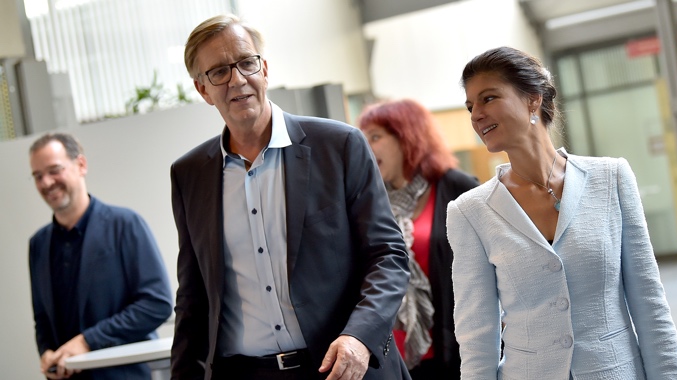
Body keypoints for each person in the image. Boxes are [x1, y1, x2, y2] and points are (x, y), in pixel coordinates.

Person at [170, 14, 411, 380]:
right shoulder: (190, 175)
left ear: (264, 68)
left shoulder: (339, 145)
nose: (237, 79)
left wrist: (359, 336)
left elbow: (387, 256)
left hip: (342, 367)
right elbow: (192, 297)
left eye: (246, 63)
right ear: (202, 90)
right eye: (219, 71)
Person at [446, 46, 677, 379]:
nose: (476, 115)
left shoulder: (611, 178)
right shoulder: (469, 212)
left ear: (533, 99)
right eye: (470, 106)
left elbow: (649, 302)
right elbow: (477, 333)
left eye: (488, 98)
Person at [28, 133, 174, 380]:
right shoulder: (38, 244)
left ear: (81, 165)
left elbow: (156, 304)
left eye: (54, 170)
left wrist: (87, 342)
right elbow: (42, 319)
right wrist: (47, 353)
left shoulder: (125, 224)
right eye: (38, 176)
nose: (46, 182)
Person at [357, 99, 479, 379]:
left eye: (375, 137)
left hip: (452, 348)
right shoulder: (370, 199)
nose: (367, 147)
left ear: (408, 138)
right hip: (392, 354)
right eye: (363, 139)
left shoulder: (457, 187)